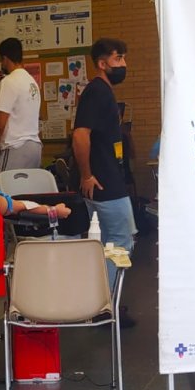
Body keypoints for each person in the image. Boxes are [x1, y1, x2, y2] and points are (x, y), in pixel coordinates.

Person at [72, 38, 136, 326]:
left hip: (109, 178)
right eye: (118, 59)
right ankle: (109, 304)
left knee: (113, 244)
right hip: (104, 183)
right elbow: (80, 135)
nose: (123, 64)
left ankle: (108, 302)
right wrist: (87, 174)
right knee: (121, 241)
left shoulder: (103, 92)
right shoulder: (96, 92)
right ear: (102, 63)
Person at [0, 37, 41, 176]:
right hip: (35, 148)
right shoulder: (32, 82)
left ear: (5, 59)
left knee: (3, 194)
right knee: (27, 194)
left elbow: (1, 124)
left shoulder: (9, 81)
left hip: (16, 147)